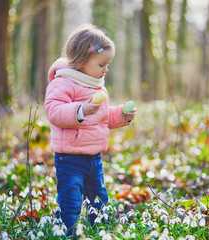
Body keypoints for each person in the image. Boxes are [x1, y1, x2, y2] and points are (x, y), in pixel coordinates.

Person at [43, 24, 136, 236]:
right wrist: (80, 110)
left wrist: (122, 115)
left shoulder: (96, 86)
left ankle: (99, 230)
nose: (106, 70)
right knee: (71, 201)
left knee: (99, 199)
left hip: (94, 158)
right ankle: (65, 231)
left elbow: (101, 118)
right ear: (83, 61)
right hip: (70, 158)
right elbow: (54, 111)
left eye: (108, 65)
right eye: (102, 64)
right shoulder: (63, 83)